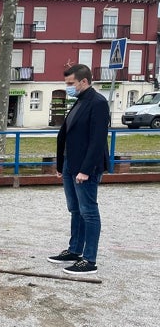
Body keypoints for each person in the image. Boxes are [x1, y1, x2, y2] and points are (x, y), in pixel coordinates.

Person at [48, 64, 110, 275]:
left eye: (70, 84)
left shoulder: (98, 103)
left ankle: (89, 259)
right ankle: (75, 251)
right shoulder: (79, 102)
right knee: (75, 210)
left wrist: (85, 169)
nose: (68, 88)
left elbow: (98, 140)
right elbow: (68, 134)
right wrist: (61, 166)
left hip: (85, 168)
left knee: (89, 212)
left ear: (83, 81)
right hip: (70, 164)